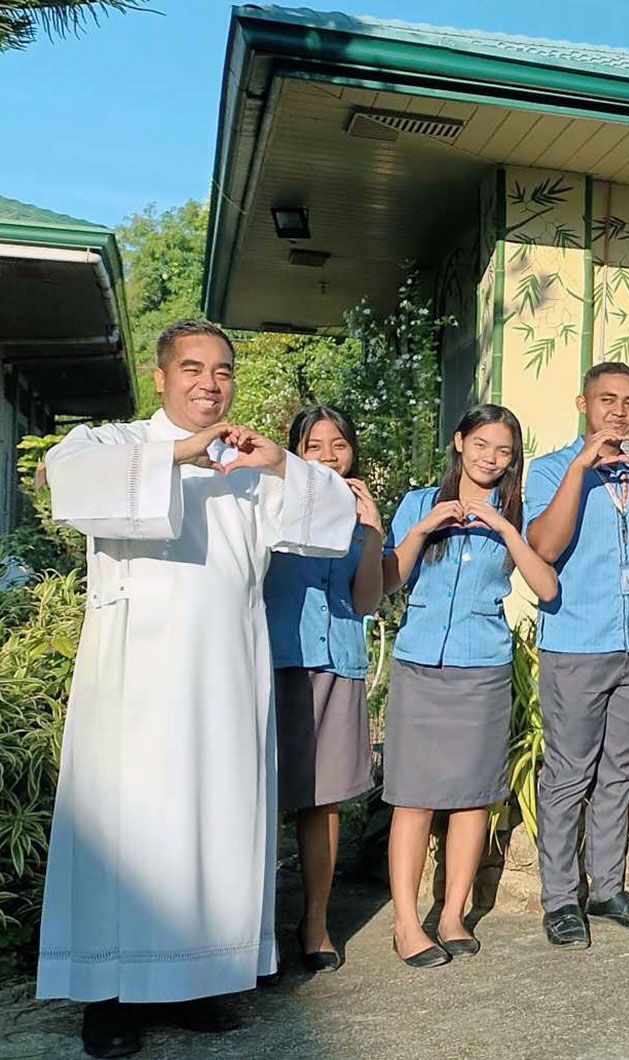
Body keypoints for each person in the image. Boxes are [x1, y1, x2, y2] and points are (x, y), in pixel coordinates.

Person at [37, 320, 356, 1058]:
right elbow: (66, 479)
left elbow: (332, 522)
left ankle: (201, 983)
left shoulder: (250, 464)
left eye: (223, 370)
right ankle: (109, 999)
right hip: (134, 678)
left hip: (225, 673)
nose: (210, 383)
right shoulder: (111, 444)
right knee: (130, 827)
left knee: (216, 820)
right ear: (161, 376)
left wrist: (280, 464)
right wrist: (180, 453)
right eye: (193, 368)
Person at [383, 405, 559, 968]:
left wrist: (506, 528)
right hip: (419, 665)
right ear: (459, 442)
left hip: (482, 667)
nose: (490, 458)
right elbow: (391, 579)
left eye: (504, 451)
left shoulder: (517, 510)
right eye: (481, 444)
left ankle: (454, 913)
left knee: (471, 798)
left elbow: (546, 588)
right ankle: (407, 923)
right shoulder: (417, 502)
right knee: (412, 798)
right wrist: (422, 527)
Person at [523, 363, 629, 949]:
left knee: (618, 773)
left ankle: (607, 889)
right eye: (607, 400)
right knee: (568, 776)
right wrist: (580, 470)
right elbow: (544, 545)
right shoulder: (550, 470)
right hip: (576, 645)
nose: (620, 412)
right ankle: (560, 899)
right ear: (584, 404)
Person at [262, 405, 386, 975]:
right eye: (314, 447)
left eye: (340, 445)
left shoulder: (359, 517)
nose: (330, 457)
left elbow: (365, 602)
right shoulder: (269, 502)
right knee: (260, 799)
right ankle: (250, 928)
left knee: (323, 801)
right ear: (294, 454)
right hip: (276, 661)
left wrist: (372, 530)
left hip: (338, 663)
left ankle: (314, 923)